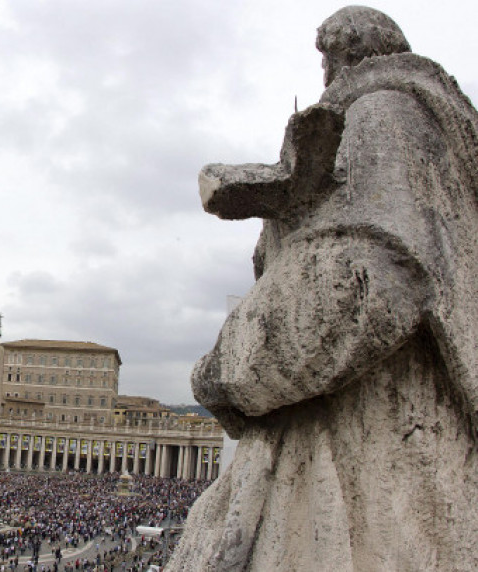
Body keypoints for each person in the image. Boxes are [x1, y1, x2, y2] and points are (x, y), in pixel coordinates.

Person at [170, 6, 478, 572]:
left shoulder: (386, 115)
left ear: (338, 57)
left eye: (325, 59)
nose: (324, 77)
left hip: (372, 472)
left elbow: (366, 283)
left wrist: (223, 370)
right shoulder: (396, 124)